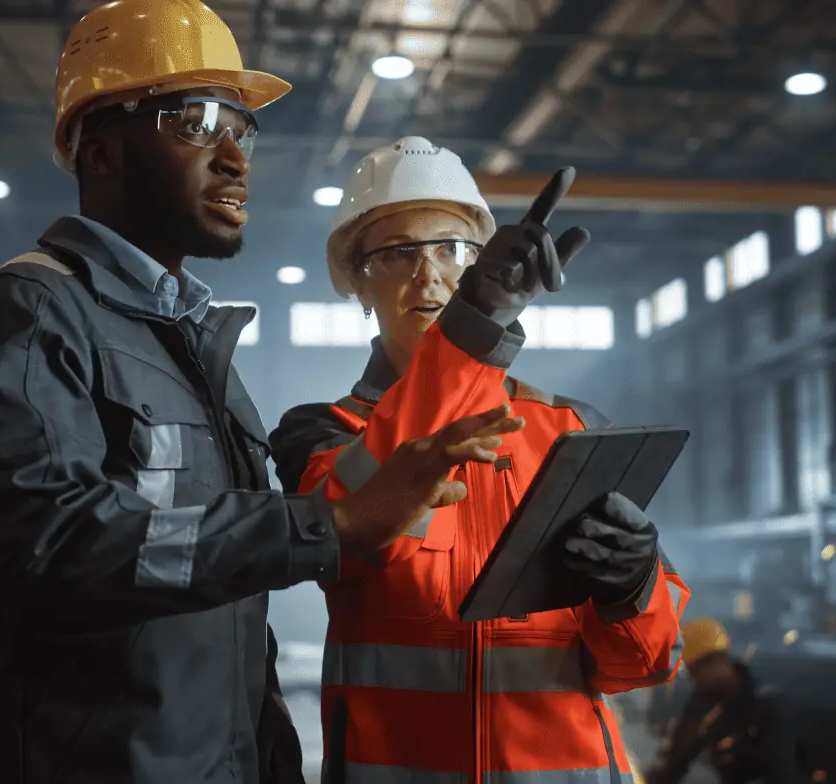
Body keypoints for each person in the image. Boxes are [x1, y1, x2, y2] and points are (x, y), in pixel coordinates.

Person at [0, 4, 519, 783]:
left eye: (241, 130)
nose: (234, 157)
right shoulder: (31, 317)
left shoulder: (197, 351)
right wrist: (329, 523)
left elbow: (227, 607)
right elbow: (49, 546)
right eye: (196, 123)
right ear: (99, 151)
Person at [269, 137, 690, 782]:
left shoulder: (568, 430)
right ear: (356, 280)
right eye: (399, 253)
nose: (430, 274)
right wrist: (478, 321)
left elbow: (639, 665)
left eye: (453, 250)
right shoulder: (324, 435)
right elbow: (349, 530)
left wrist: (633, 589)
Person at [644, 618, 794, 784]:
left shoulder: (765, 705)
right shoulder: (703, 703)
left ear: (714, 659)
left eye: (692, 671)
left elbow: (781, 771)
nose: (692, 680)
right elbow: (677, 756)